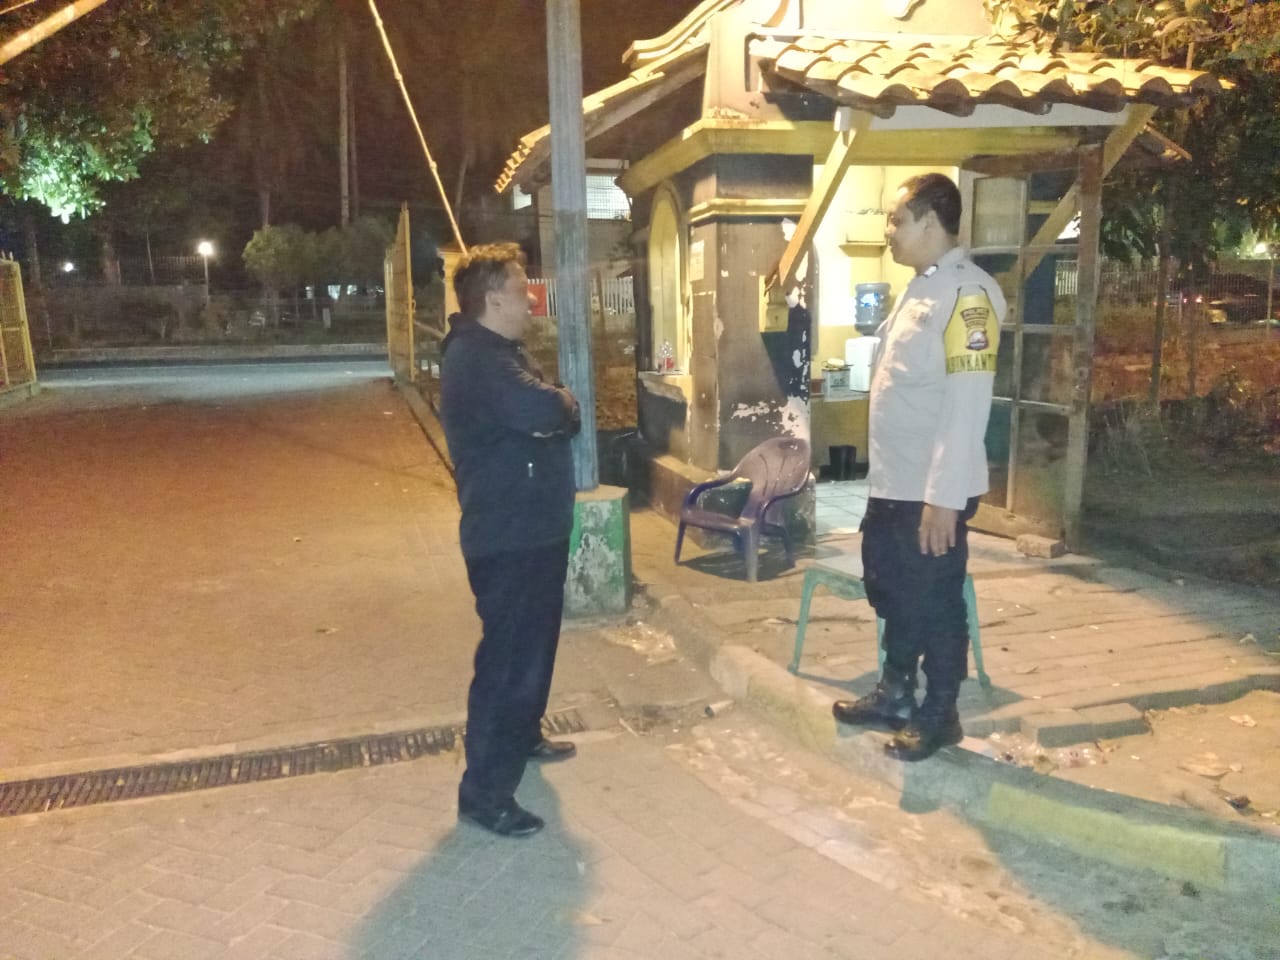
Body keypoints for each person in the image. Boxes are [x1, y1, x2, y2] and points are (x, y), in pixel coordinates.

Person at [831, 173, 1004, 762]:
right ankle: (896, 691)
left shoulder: (968, 296)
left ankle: (940, 713)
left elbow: (966, 405)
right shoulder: (919, 289)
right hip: (894, 483)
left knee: (935, 599)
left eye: (896, 219)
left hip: (931, 490)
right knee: (892, 590)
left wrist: (944, 498)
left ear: (930, 220)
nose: (888, 231)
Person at [439, 242, 581, 836]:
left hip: (534, 529)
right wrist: (562, 403)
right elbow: (545, 410)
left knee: (534, 650)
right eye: (523, 290)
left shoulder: (501, 353)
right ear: (494, 298)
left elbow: (547, 416)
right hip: (508, 535)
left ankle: (523, 736)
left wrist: (555, 412)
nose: (531, 300)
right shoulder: (478, 358)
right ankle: (486, 792)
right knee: (507, 663)